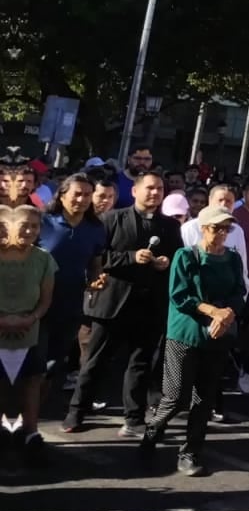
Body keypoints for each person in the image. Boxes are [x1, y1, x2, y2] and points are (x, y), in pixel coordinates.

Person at [66, 172, 184, 435]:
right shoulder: (111, 219)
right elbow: (98, 257)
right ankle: (76, 412)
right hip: (113, 303)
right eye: (150, 188)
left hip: (149, 305)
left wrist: (165, 263)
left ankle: (134, 418)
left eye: (160, 189)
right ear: (135, 191)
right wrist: (131, 257)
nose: (155, 193)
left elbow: (178, 259)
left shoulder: (169, 227)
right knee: (95, 362)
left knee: (140, 365)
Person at [141, 205, 249, 476]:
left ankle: (190, 452)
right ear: (203, 228)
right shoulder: (185, 255)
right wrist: (213, 312)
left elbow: (239, 290)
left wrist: (227, 315)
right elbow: (180, 295)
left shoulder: (233, 258)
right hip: (186, 333)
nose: (221, 233)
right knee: (176, 396)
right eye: (216, 228)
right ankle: (152, 431)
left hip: (218, 335)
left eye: (226, 228)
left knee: (204, 398)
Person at [0, 205, 57, 465]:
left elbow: (46, 299)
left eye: (35, 226)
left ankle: (30, 432)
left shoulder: (44, 258)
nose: (30, 230)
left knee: (33, 381)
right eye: (24, 224)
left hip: (31, 328)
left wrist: (31, 318)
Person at [38, 173, 106, 385]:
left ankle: (37, 411)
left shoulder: (95, 229)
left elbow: (95, 264)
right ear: (62, 196)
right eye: (77, 194)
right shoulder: (43, 222)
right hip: (36, 302)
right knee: (31, 361)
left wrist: (97, 279)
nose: (82, 199)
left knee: (53, 363)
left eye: (87, 195)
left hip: (71, 304)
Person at [180, 184, 249, 289]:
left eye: (228, 201)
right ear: (210, 200)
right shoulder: (189, 228)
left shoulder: (237, 230)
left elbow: (242, 268)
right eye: (220, 200)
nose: (223, 204)